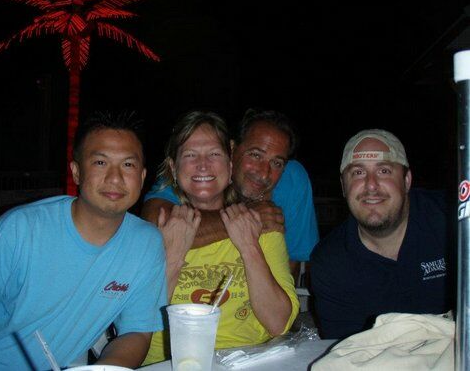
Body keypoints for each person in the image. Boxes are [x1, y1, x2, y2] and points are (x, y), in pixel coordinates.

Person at [0, 111, 167, 370]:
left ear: (142, 177)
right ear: (76, 172)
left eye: (128, 165)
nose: (115, 178)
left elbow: (136, 332)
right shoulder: (21, 229)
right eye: (100, 162)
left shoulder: (146, 243)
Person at [143, 111, 299, 365]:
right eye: (190, 155)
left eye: (214, 154)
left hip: (248, 361)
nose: (203, 165)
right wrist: (173, 258)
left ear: (230, 165)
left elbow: (279, 323)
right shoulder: (158, 227)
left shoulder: (263, 224)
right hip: (170, 363)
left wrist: (249, 246)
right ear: (173, 168)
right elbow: (138, 323)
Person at [142, 109, 319, 282]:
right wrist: (247, 218)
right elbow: (154, 225)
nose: (264, 173)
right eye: (255, 155)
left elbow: (292, 261)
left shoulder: (291, 178)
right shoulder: (194, 174)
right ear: (232, 150)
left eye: (277, 163)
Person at [310, 129, 453, 339]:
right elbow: (348, 349)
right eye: (358, 173)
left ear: (407, 180)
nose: (371, 185)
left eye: (384, 171)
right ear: (343, 187)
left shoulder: (454, 220)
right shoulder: (330, 263)